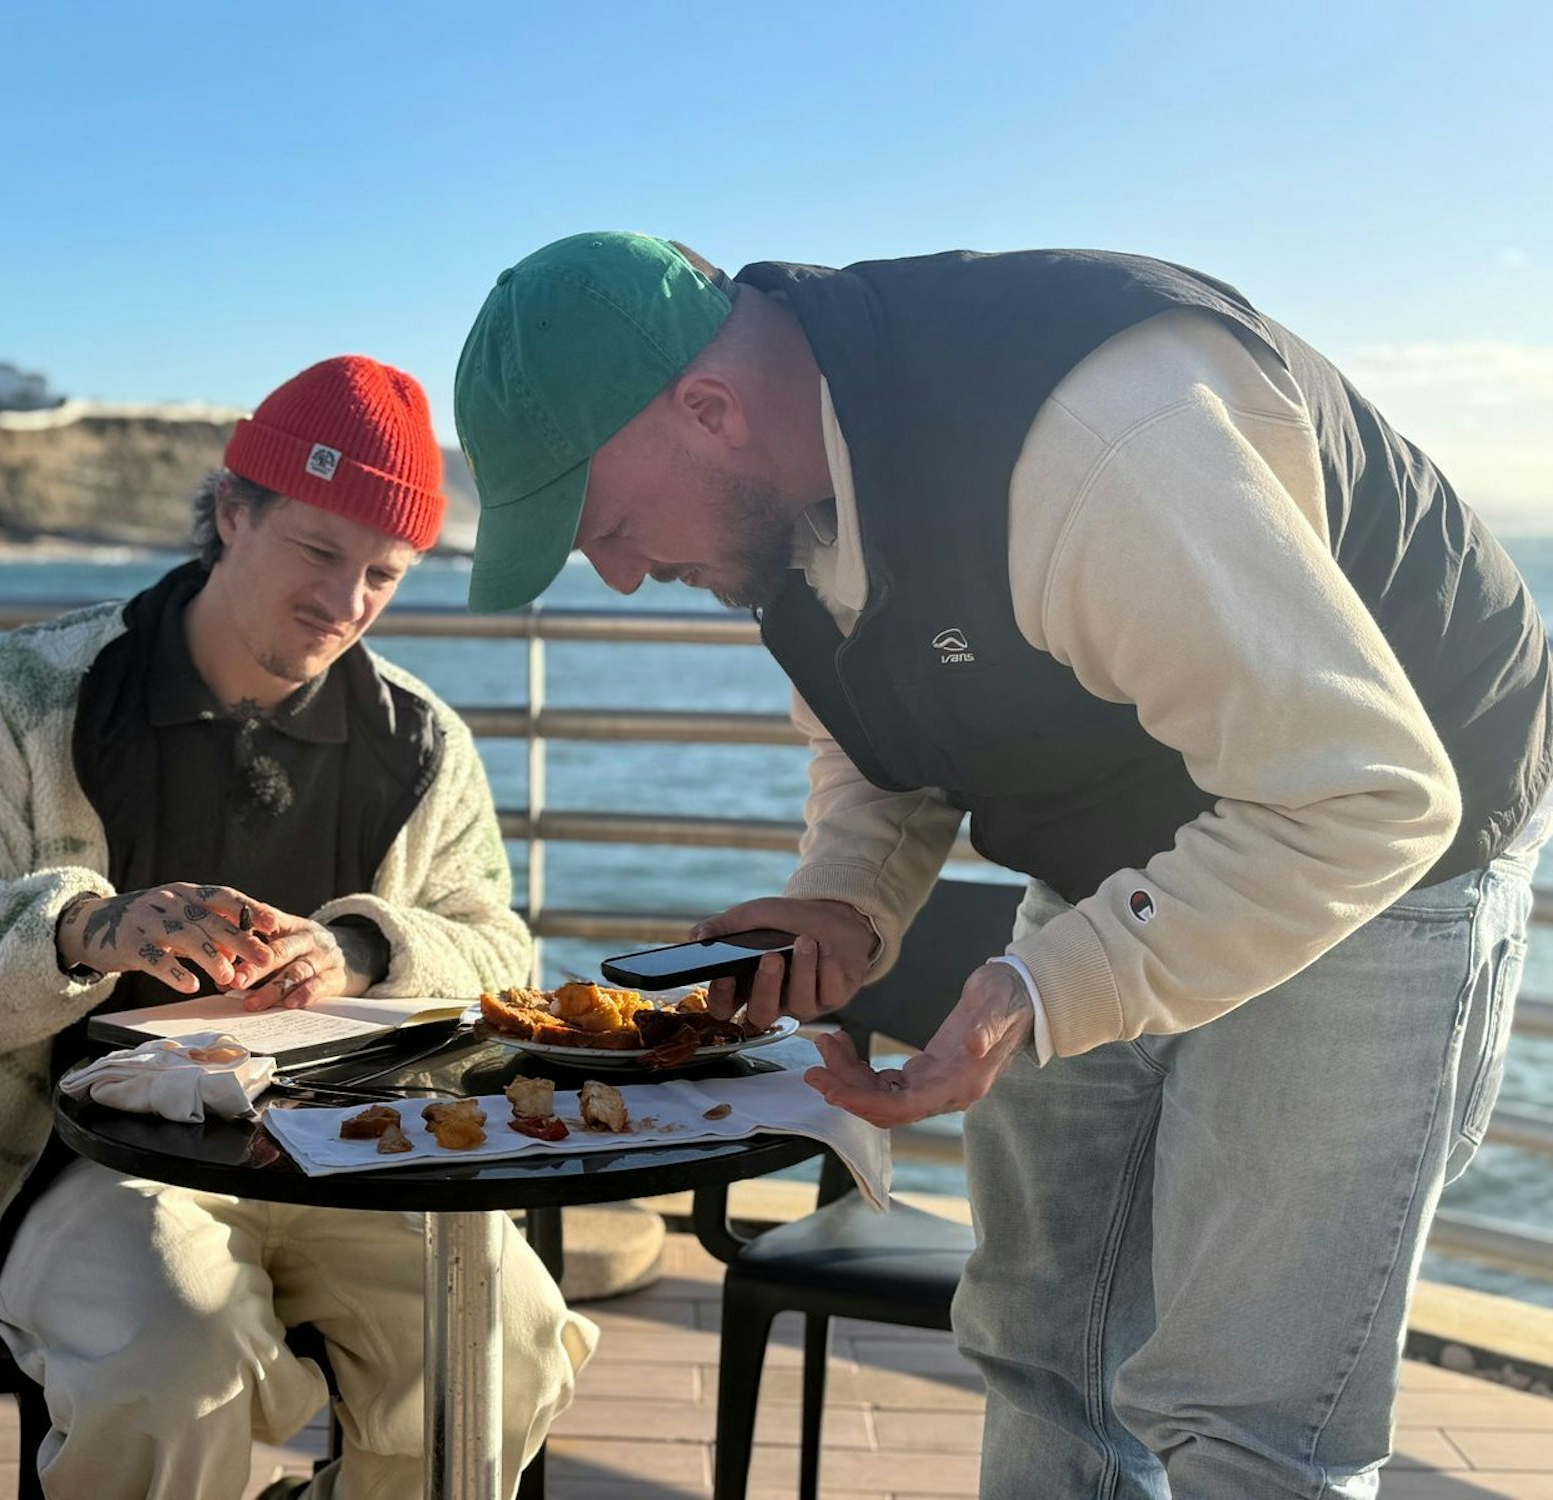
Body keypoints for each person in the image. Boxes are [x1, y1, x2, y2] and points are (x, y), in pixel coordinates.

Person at [453, 233, 1551, 1498]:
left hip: (1375, 828)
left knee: (1245, 1420)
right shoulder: (770, 510)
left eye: (611, 525)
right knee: (1040, 1345)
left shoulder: (1097, 436)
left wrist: (1041, 987)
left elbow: (1359, 798)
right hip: (1124, 822)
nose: (622, 575)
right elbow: (878, 746)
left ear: (709, 412)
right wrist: (842, 901)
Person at [0, 354, 595, 1500]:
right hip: (81, 1162)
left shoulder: (422, 740)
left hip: (358, 1149)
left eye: (382, 574)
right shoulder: (18, 698)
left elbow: (498, 955)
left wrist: (366, 951)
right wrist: (83, 930)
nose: (344, 606)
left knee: (509, 1353)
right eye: (317, 552)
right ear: (232, 513)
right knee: (169, 1357)